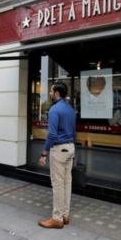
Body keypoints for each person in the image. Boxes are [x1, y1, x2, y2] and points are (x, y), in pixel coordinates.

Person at [38, 82, 76, 229]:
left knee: (58, 184)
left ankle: (57, 218)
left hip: (59, 149)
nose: (49, 93)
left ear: (57, 93)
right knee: (67, 183)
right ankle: (65, 215)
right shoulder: (70, 109)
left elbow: (52, 134)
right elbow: (74, 132)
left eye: (51, 91)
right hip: (70, 147)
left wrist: (44, 153)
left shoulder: (54, 110)